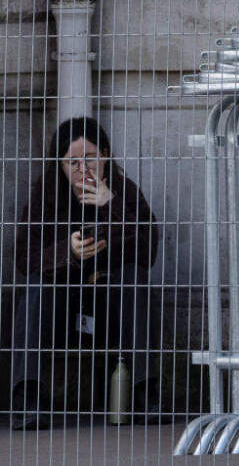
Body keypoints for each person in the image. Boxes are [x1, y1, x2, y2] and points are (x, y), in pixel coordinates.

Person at [10, 117, 162, 430]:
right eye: (72, 161)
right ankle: (28, 398)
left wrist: (111, 205)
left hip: (111, 309)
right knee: (35, 286)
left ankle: (145, 393)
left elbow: (148, 253)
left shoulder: (123, 191)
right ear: (60, 164)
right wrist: (67, 251)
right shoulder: (46, 195)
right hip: (63, 310)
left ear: (105, 154)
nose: (83, 169)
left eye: (90, 158)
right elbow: (24, 258)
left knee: (134, 277)